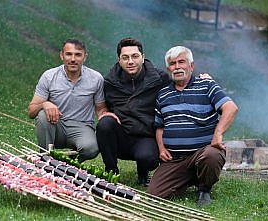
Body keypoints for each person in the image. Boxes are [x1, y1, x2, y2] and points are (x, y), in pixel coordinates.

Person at [147, 46, 238, 206]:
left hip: (202, 153)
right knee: (155, 193)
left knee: (212, 154)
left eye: (181, 62)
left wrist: (218, 134)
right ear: (168, 68)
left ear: (191, 66)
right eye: (173, 63)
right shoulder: (162, 95)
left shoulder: (207, 85)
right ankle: (190, 177)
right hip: (175, 160)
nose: (177, 67)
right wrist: (161, 148)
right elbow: (159, 126)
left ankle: (204, 189)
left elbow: (230, 108)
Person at [96, 38, 171, 186]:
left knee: (148, 159)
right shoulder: (110, 82)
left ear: (143, 57)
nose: (130, 61)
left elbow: (182, 83)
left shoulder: (160, 79)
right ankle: (111, 171)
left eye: (135, 56)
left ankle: (143, 172)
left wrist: (202, 80)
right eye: (125, 57)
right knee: (105, 124)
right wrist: (104, 113)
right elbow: (101, 106)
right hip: (121, 135)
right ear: (119, 60)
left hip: (146, 135)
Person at [27, 38, 117, 162]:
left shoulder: (96, 78)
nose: (73, 59)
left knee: (91, 149)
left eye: (78, 55)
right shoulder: (49, 76)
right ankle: (45, 158)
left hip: (82, 127)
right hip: (56, 125)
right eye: (69, 54)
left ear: (85, 57)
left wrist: (106, 116)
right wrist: (44, 104)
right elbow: (31, 111)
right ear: (61, 56)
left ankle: (66, 162)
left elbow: (100, 108)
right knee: (42, 115)